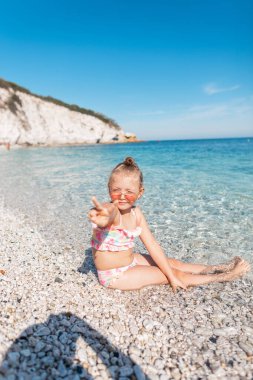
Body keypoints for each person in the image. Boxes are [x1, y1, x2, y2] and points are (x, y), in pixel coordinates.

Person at [88, 157, 250, 291]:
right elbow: (109, 212)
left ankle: (215, 267)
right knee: (173, 272)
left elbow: (152, 245)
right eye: (116, 190)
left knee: (173, 263)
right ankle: (224, 276)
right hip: (115, 275)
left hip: (130, 260)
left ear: (140, 192)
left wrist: (166, 265)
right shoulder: (113, 211)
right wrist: (103, 216)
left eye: (129, 191)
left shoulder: (136, 213)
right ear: (109, 190)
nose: (122, 196)